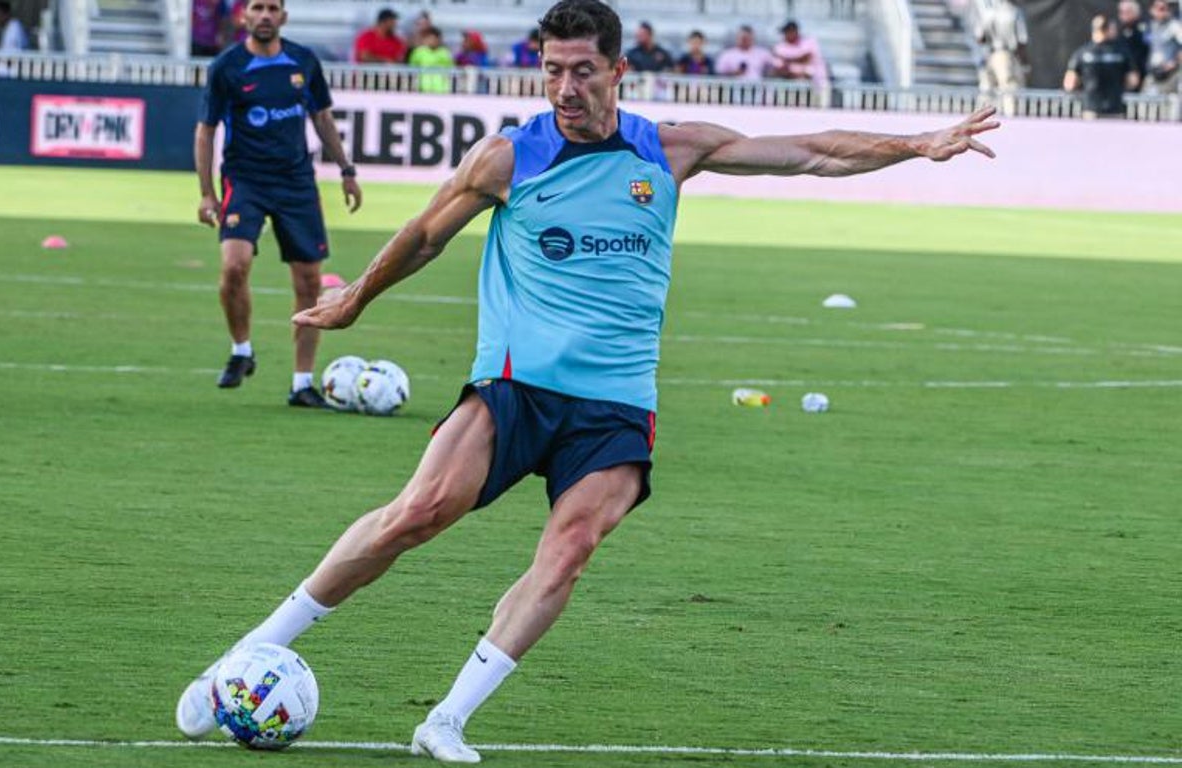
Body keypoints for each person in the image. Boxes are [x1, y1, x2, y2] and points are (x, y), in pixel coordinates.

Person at [174, 0, 998, 760]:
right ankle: (246, 654)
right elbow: (427, 234)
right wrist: (357, 298)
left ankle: (446, 718)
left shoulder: (668, 148)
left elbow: (813, 154)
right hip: (515, 384)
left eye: (581, 71)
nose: (565, 88)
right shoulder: (510, 155)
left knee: (569, 552)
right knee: (416, 515)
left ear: (616, 72)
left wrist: (917, 146)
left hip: (615, 401)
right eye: (552, 70)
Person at [194, 0, 363, 406]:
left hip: (296, 183)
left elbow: (322, 118)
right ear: (244, 16)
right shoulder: (227, 67)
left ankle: (302, 384)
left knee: (308, 282)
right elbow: (206, 131)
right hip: (245, 180)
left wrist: (346, 169)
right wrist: (206, 192)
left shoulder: (303, 62)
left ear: (283, 17)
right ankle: (241, 351)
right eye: (258, 7)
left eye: (273, 7)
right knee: (234, 267)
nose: (265, 15)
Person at [1064, 14, 1140, 119]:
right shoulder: (1122, 52)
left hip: (1091, 109)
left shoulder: (1082, 53)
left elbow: (1069, 83)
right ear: (1108, 29)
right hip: (1115, 108)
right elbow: (1133, 81)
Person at [975, 0, 1029, 95]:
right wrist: (1024, 63)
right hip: (1006, 54)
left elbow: (980, 38)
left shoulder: (988, 12)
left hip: (990, 54)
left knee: (987, 91)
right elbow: (1022, 41)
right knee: (1009, 89)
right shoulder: (1015, 12)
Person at [770, 20, 829, 88]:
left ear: (796, 32)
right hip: (791, 85)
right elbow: (780, 69)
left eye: (789, 32)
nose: (786, 35)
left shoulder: (809, 41)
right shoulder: (780, 47)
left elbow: (806, 58)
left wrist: (786, 60)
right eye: (785, 32)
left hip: (815, 84)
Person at [1145, 0, 1182, 95]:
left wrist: (1174, 62)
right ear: (1152, 10)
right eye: (1159, 9)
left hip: (1171, 75)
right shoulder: (1150, 26)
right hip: (1153, 73)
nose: (1162, 12)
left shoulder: (1174, 26)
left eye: (1164, 9)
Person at [409, 26, 455, 93]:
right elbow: (412, 68)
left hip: (442, 89)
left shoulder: (445, 53)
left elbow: (451, 69)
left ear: (439, 39)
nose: (432, 41)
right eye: (430, 38)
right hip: (423, 88)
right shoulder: (419, 52)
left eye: (435, 39)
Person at [1118, 0, 1150, 89]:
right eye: (1121, 12)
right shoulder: (1119, 30)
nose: (1123, 15)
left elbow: (1148, 50)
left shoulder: (1145, 28)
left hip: (1143, 74)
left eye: (1127, 12)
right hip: (1124, 76)